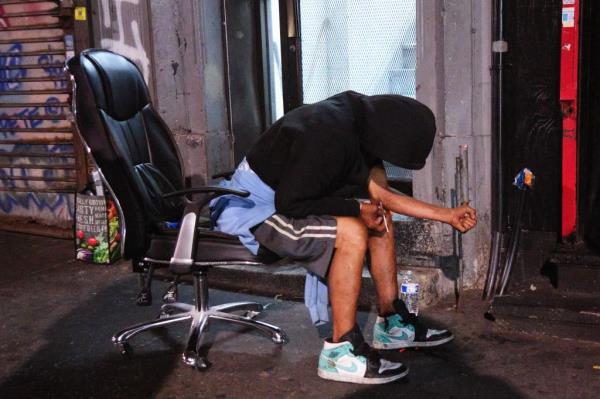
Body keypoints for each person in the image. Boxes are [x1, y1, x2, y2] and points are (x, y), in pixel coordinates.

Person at [209, 91, 477, 384]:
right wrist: (355, 209)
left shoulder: (362, 125)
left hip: (285, 204)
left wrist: (447, 215)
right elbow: (290, 202)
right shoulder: (327, 134)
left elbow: (383, 197)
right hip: (252, 212)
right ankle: (339, 353)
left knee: (378, 217)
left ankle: (391, 322)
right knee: (351, 231)